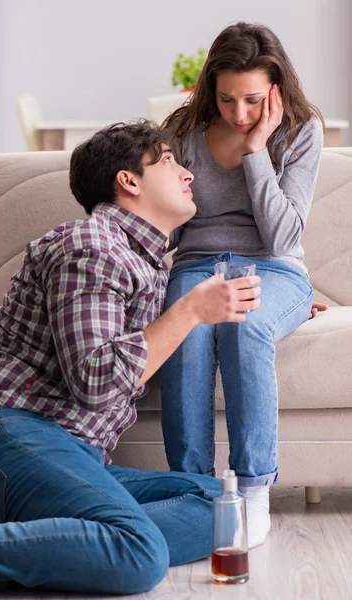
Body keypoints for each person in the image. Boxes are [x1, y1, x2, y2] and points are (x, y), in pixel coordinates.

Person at [0, 121, 261, 599]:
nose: (188, 173)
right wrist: (191, 311)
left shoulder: (147, 262)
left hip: (68, 459)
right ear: (128, 180)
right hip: (1, 438)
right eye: (169, 160)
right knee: (140, 554)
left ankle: (15, 554)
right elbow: (95, 380)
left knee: (224, 506)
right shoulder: (91, 247)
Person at [160, 21, 327, 550]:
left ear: (276, 88)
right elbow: (170, 230)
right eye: (227, 99)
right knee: (184, 332)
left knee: (246, 325)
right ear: (211, 85)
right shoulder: (183, 134)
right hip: (196, 265)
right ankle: (191, 492)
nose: (238, 114)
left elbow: (281, 236)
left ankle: (254, 494)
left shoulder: (300, 132)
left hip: (273, 269)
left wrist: (256, 152)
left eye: (252, 100)